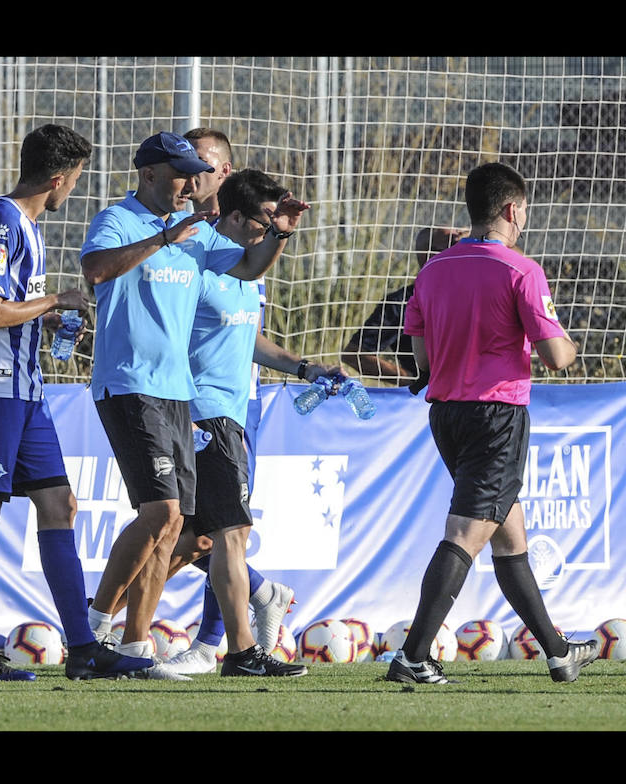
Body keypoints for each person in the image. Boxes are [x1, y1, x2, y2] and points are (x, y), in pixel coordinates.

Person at [80, 131, 309, 678]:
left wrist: (278, 231)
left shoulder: (199, 237)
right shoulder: (120, 220)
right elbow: (95, 272)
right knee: (160, 513)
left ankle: (136, 649)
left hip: (177, 392)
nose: (192, 183)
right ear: (150, 174)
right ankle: (90, 626)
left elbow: (250, 269)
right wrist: (165, 238)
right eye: (182, 173)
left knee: (175, 521)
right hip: (129, 383)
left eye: (195, 172)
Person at [0, 123, 153, 682]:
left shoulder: (29, 229)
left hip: (25, 389)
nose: (73, 191)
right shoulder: (2, 219)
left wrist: (50, 314)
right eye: (76, 180)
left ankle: (84, 650)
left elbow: (13, 309)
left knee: (60, 505)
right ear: (59, 177)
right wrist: (54, 299)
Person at [387, 161, 599, 685]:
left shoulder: (433, 270)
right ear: (510, 209)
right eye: (524, 209)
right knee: (465, 531)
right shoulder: (521, 270)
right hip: (496, 415)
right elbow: (555, 356)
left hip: (447, 414)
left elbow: (423, 357)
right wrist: (569, 344)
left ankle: (556, 652)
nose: (525, 219)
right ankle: (412, 657)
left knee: (509, 535)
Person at [163, 168, 344, 676]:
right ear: (235, 216)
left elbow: (252, 343)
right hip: (202, 415)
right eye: (263, 219)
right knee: (230, 532)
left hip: (234, 416)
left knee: (189, 539)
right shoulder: (198, 263)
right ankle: (241, 651)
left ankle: (112, 627)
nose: (268, 228)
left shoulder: (247, 274)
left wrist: (305, 368)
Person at [341, 227, 466, 394]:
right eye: (452, 246)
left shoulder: (471, 294)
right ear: (428, 255)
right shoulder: (401, 302)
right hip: (428, 404)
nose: (461, 252)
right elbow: (353, 355)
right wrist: (411, 380)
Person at [182, 127, 233, 213]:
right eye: (183, 160)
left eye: (199, 160)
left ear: (224, 170)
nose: (189, 168)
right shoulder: (175, 222)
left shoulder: (240, 224)